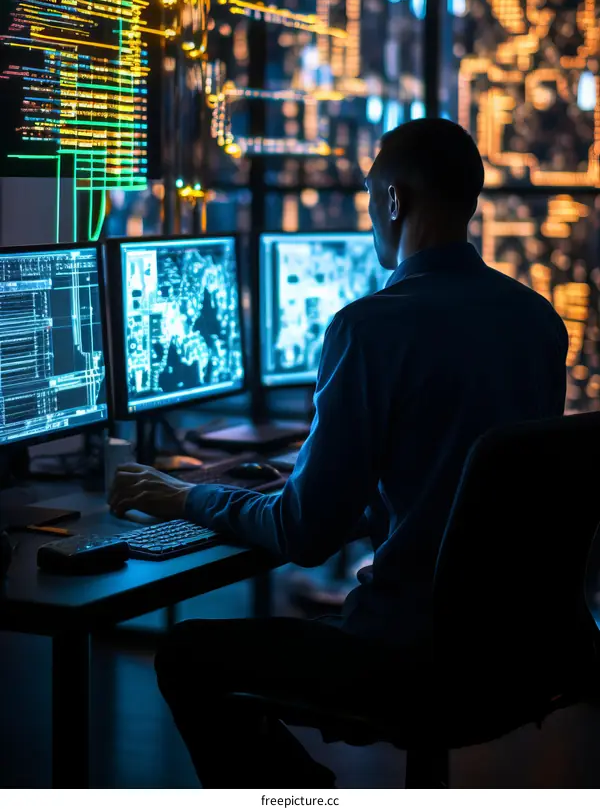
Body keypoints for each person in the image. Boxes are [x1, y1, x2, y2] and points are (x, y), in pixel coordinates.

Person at [110, 118, 568, 788]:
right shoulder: (538, 321)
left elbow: (303, 532)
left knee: (186, 655)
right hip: (521, 653)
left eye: (370, 194)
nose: (369, 211)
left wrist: (187, 496)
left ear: (393, 200)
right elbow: (463, 488)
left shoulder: (369, 328)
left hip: (406, 658)